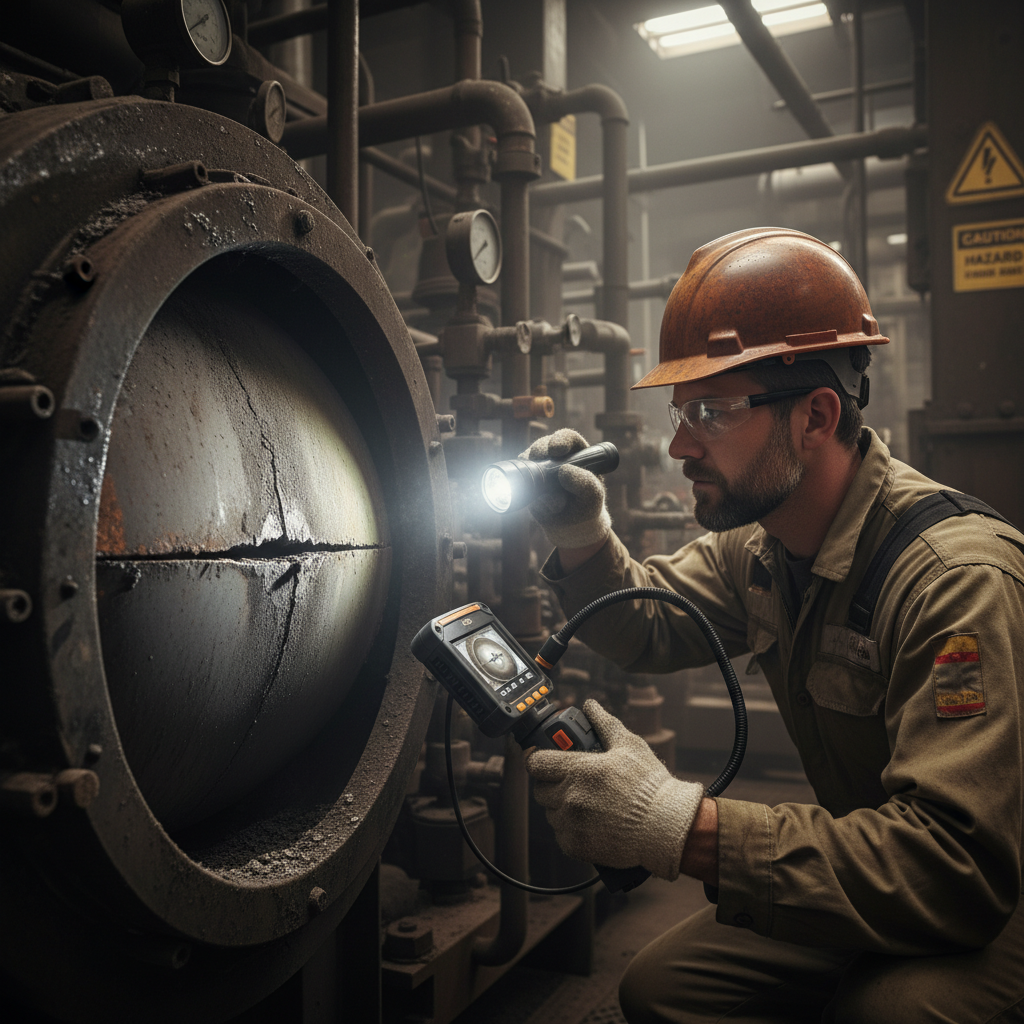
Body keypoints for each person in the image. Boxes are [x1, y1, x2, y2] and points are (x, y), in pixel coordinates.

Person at [521, 227, 1024, 1023]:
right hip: (874, 862)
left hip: (995, 895)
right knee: (660, 992)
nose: (681, 445)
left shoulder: (952, 583)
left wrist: (679, 825)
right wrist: (582, 533)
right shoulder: (761, 549)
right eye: (683, 411)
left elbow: (956, 870)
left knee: (888, 1011)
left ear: (816, 417)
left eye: (712, 411)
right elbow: (650, 625)